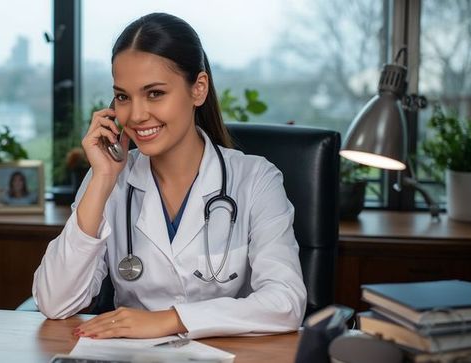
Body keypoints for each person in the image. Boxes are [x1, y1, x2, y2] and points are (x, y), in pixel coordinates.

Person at [33, 13, 306, 340]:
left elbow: (286, 301)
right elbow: (54, 302)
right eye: (123, 96)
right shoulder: (111, 180)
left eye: (155, 93)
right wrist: (102, 179)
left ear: (198, 89)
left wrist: (172, 319)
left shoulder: (255, 179)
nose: (135, 115)